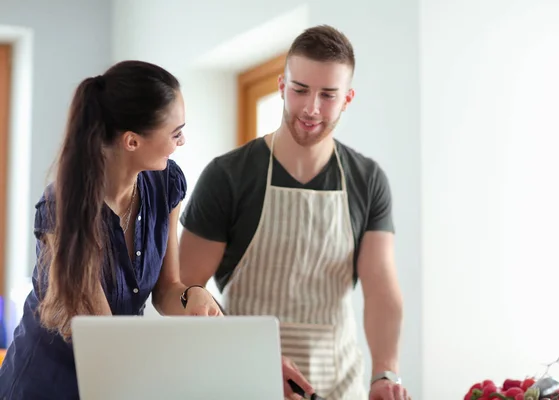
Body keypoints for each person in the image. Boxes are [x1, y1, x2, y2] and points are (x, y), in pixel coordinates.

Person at [179, 25, 411, 400]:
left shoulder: (367, 180)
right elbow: (181, 292)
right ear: (281, 86)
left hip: (338, 386)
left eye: (328, 95)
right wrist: (248, 359)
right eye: (300, 89)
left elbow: (381, 288)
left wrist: (386, 372)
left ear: (347, 99)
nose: (311, 108)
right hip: (244, 385)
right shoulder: (228, 176)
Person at [0, 60, 224, 399]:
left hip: (113, 371)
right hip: (46, 384)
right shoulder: (63, 210)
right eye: (175, 133)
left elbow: (166, 290)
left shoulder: (166, 184)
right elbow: (105, 336)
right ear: (132, 141)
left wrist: (191, 296)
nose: (183, 141)